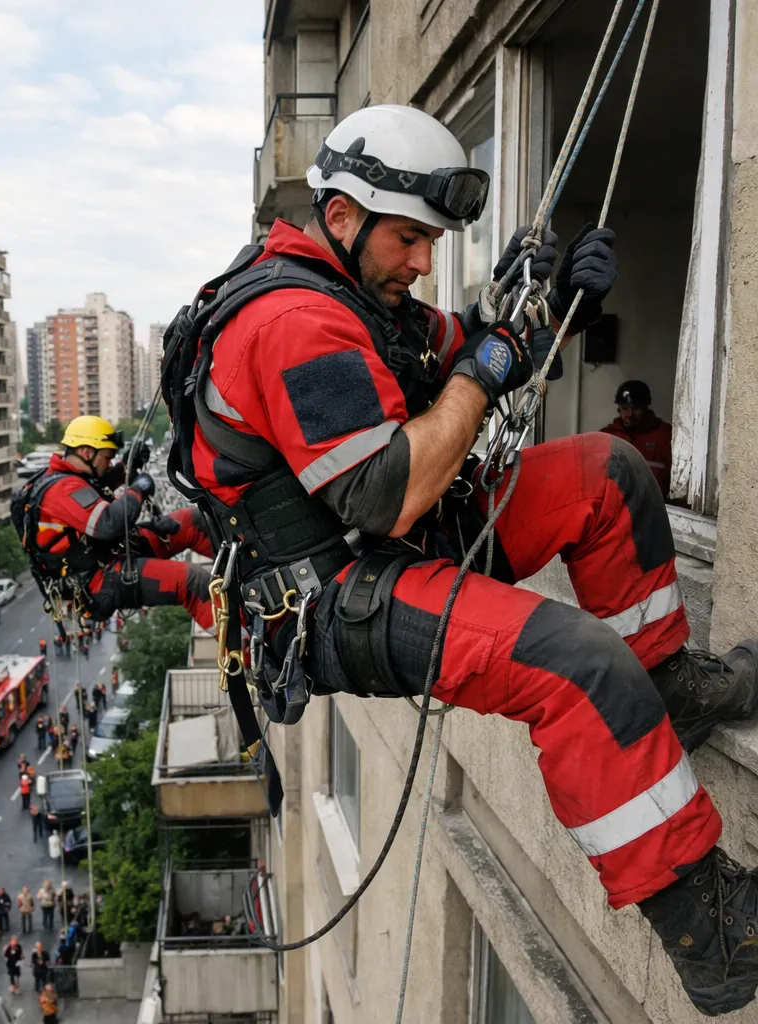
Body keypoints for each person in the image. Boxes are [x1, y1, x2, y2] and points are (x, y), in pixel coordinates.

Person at [169, 102, 758, 1018]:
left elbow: (470, 343)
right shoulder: (292, 321)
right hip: (340, 596)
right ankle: (709, 932)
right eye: (410, 239)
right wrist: (483, 371)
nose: (423, 262)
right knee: (575, 666)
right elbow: (386, 489)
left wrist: (553, 303)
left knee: (605, 469)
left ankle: (669, 685)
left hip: (394, 544)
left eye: (432, 241)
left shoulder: (362, 295)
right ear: (343, 218)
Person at [14, 414, 215, 631]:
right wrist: (137, 490)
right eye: (107, 458)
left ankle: (245, 569)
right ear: (87, 453)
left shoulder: (66, 478)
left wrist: (126, 467)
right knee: (193, 582)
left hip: (109, 556)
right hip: (98, 583)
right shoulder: (63, 489)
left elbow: (97, 486)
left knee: (191, 522)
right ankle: (242, 651)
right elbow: (108, 523)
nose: (108, 463)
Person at [599, 379, 674, 499]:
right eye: (624, 408)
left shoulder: (666, 435)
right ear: (618, 408)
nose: (629, 414)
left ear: (646, 407)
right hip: (615, 507)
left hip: (657, 508)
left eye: (635, 408)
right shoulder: (606, 436)